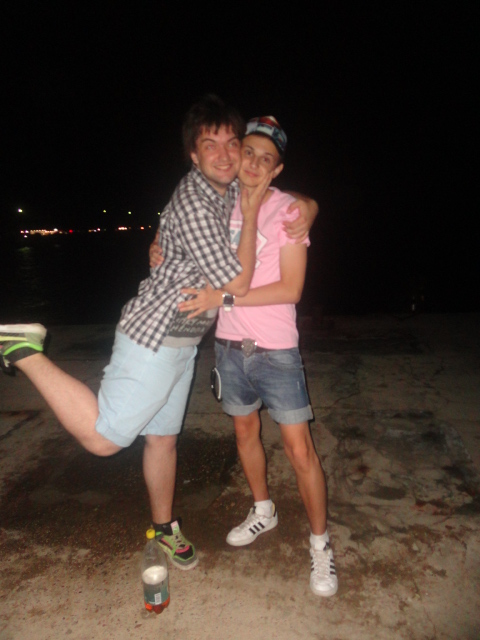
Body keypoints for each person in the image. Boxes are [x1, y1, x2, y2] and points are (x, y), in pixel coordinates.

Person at [0, 95, 317, 573]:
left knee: (162, 440)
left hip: (183, 344)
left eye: (232, 143)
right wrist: (249, 219)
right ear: (193, 154)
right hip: (155, 337)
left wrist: (309, 205)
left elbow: (274, 193)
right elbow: (237, 284)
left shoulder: (227, 188)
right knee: (105, 438)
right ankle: (22, 349)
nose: (227, 155)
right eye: (210, 145)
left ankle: (165, 528)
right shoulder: (198, 202)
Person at [176, 117, 338, 597]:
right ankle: (263, 510)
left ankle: (320, 544)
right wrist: (158, 242)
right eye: (248, 151)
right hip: (228, 346)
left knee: (299, 450)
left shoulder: (288, 212)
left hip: (276, 349)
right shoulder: (217, 201)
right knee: (244, 433)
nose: (252, 163)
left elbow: (291, 289)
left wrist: (222, 298)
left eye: (266, 159)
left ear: (277, 169)